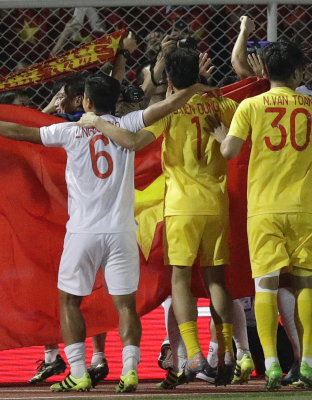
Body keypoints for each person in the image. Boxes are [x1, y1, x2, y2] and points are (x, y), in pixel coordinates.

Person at [0, 73, 207, 392]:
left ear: (87, 102)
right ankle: (130, 370)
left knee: (68, 301)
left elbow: (19, 131)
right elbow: (171, 102)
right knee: (125, 306)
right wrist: (198, 86)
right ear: (114, 101)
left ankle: (78, 371)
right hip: (121, 231)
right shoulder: (130, 123)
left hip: (83, 232)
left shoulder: (69, 130)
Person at [83, 47, 245, 385]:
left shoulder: (170, 111)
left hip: (182, 207)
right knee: (217, 281)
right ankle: (227, 351)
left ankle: (196, 356)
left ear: (169, 80)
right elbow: (242, 140)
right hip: (217, 204)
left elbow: (132, 141)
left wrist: (98, 122)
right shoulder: (226, 105)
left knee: (180, 281)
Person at [210, 40, 312, 390]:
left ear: (265, 71)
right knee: (304, 283)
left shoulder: (250, 105)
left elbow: (230, 150)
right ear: (296, 73)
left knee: (265, 284)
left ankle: (273, 365)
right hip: (303, 208)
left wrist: (221, 136)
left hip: (263, 208)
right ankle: (307, 361)